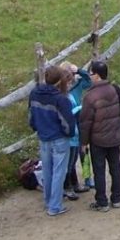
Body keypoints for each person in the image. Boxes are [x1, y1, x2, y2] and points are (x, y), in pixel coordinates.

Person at [79, 60, 120, 212]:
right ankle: (117, 198)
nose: (89, 76)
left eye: (91, 73)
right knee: (115, 167)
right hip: (115, 136)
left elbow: (85, 122)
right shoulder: (116, 89)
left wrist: (84, 142)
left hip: (98, 140)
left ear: (98, 76)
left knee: (99, 170)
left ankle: (102, 201)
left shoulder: (90, 97)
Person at [29, 64, 75, 217]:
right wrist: (69, 134)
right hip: (59, 138)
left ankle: (48, 201)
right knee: (59, 172)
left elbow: (31, 115)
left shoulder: (34, 93)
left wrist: (36, 128)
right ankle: (55, 206)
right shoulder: (60, 99)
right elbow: (67, 123)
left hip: (43, 137)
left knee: (47, 171)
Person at [61, 62, 93, 200]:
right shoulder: (62, 89)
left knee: (84, 152)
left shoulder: (78, 84)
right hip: (71, 122)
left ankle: (87, 178)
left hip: (80, 120)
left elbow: (90, 82)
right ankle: (73, 183)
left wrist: (80, 70)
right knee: (72, 155)